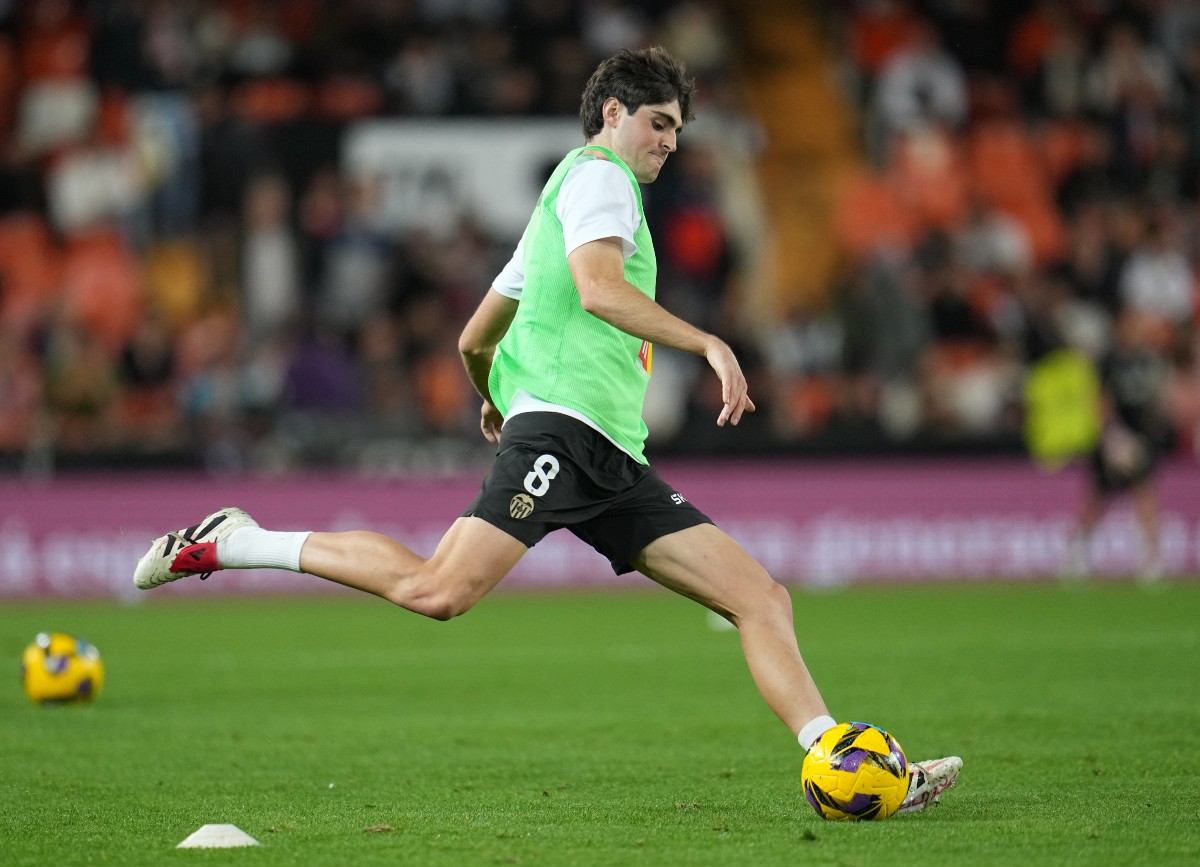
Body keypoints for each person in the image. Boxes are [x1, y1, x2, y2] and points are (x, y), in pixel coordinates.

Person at [134, 47, 960, 813]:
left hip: (609, 453)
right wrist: (706, 341)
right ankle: (233, 541)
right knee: (437, 591)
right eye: (658, 122)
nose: (669, 142)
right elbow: (598, 290)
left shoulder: (559, 205)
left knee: (759, 597)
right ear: (612, 113)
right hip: (565, 434)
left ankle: (843, 762)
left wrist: (496, 396)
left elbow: (474, 339)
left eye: (677, 129)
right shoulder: (602, 178)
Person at [1066, 308, 1171, 581]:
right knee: (1099, 497)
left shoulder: (1148, 361)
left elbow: (1156, 399)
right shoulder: (1109, 360)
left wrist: (1149, 434)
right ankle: (1078, 554)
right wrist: (1114, 436)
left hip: (1141, 438)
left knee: (1145, 494)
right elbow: (1100, 400)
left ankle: (1150, 560)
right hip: (1114, 438)